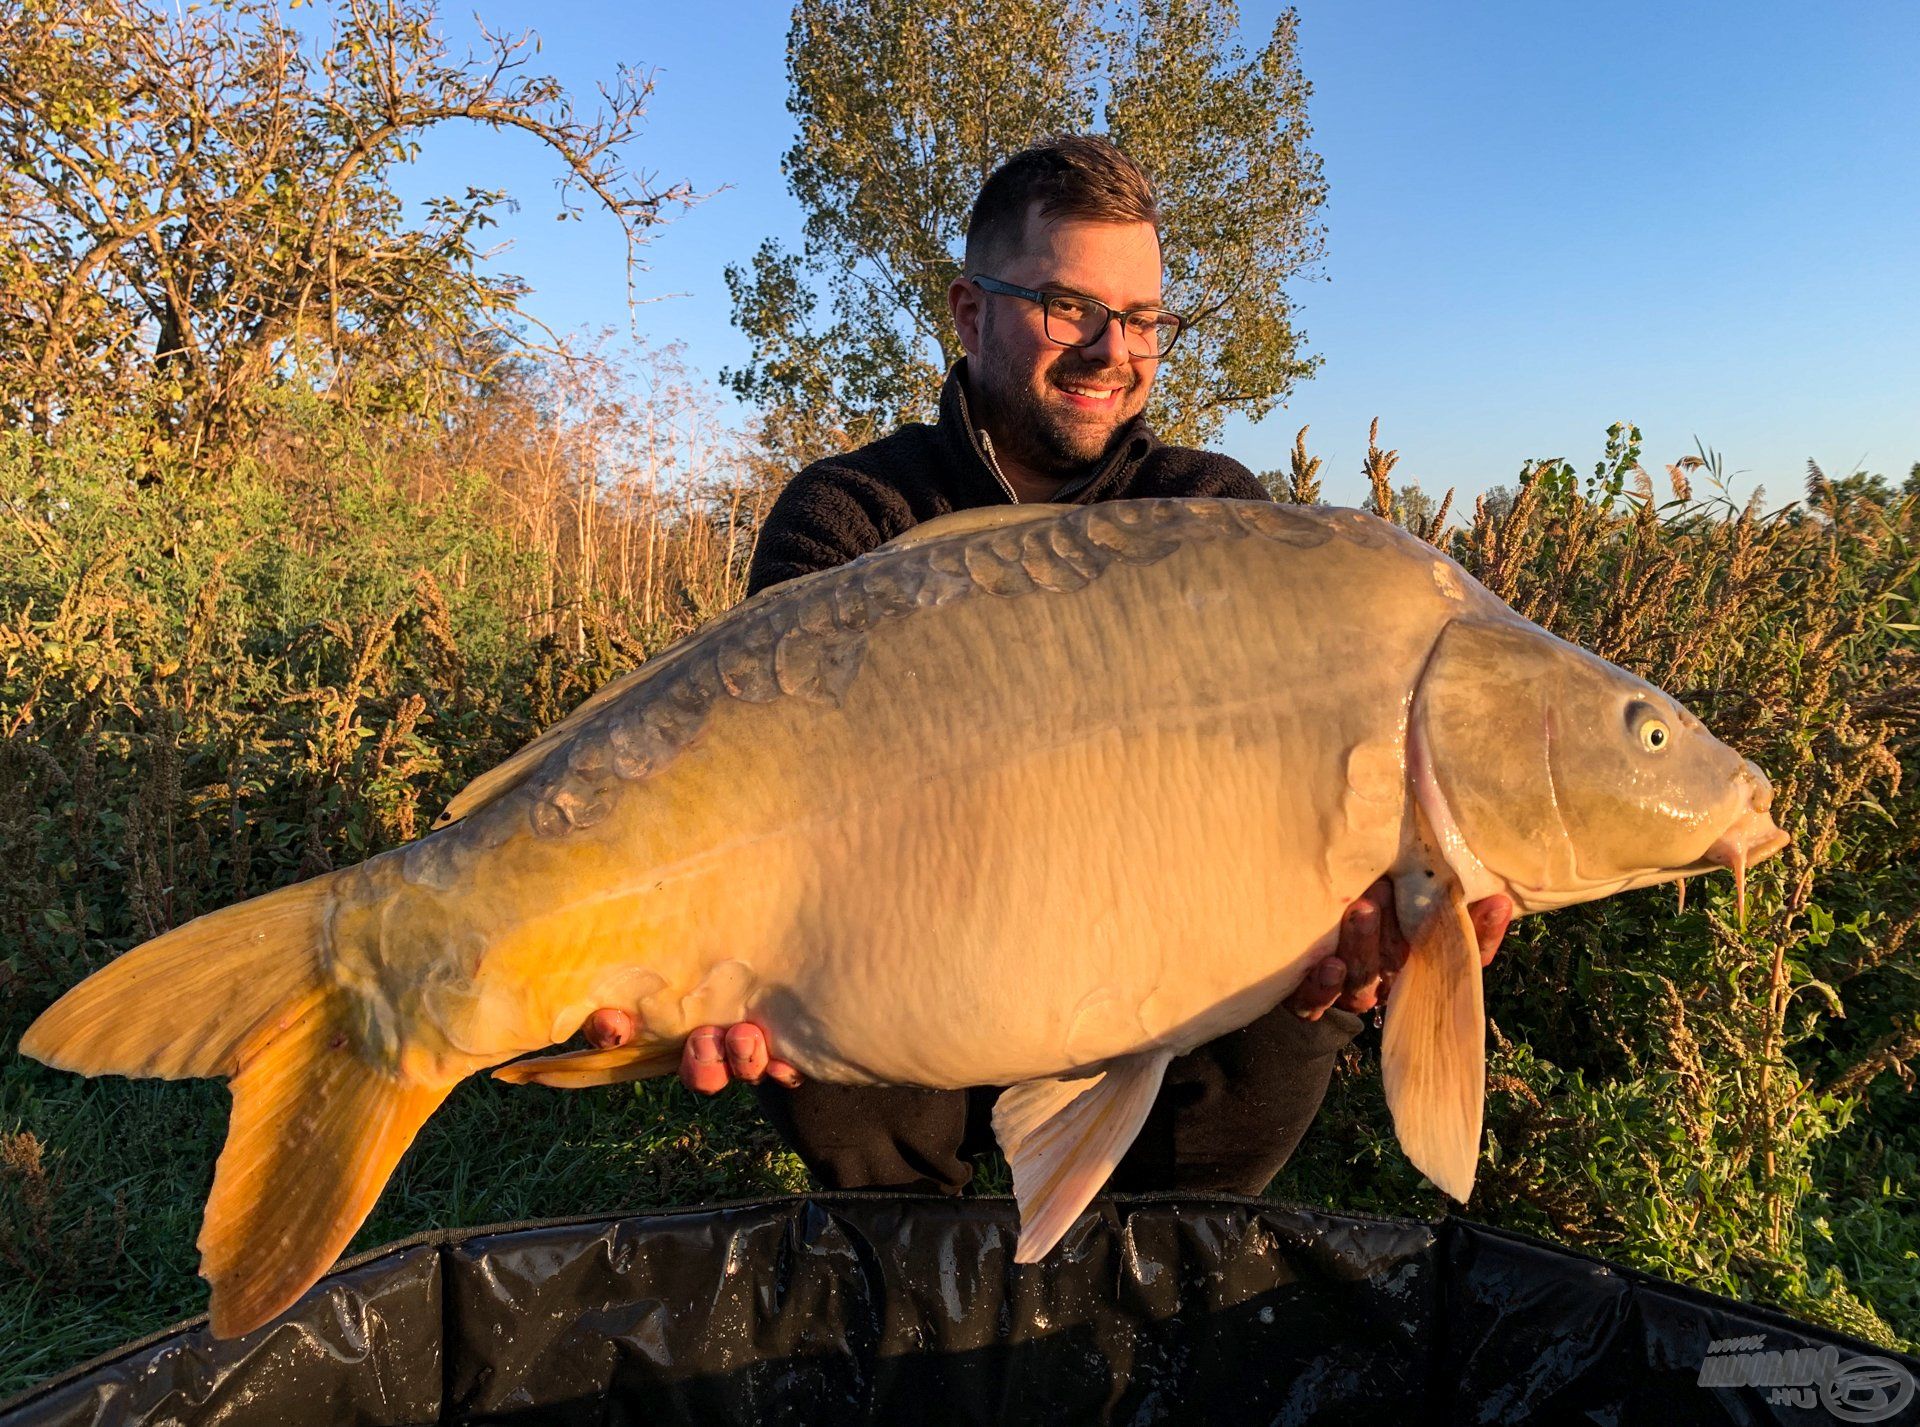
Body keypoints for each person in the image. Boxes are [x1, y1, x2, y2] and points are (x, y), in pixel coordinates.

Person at [583, 135, 1511, 1196]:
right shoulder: (852, 511)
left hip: (1152, 966)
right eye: (1069, 307)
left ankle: (1139, 1276)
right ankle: (912, 1258)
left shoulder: (1214, 515)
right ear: (970, 313)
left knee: (1301, 985)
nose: (1113, 348)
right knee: (799, 972)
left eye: (1145, 319)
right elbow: (749, 784)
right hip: (911, 968)